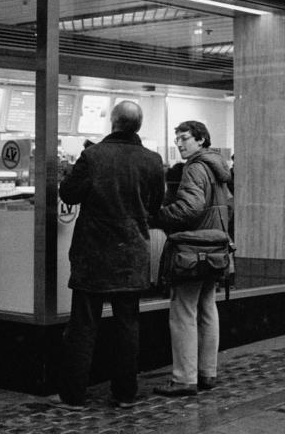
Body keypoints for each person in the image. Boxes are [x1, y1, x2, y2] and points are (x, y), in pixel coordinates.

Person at [54, 100, 164, 410]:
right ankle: (125, 394)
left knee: (83, 326)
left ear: (112, 123)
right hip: (132, 254)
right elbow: (155, 206)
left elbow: (69, 194)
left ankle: (74, 396)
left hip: (93, 254)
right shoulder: (153, 161)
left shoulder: (93, 156)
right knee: (127, 325)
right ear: (138, 126)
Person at [151, 120, 232, 397]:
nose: (180, 144)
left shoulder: (195, 168)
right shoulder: (217, 168)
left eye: (185, 138)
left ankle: (184, 377)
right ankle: (207, 373)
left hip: (194, 249)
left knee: (183, 310)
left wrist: (160, 215)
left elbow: (191, 207)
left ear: (201, 140)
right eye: (178, 140)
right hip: (215, 248)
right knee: (207, 307)